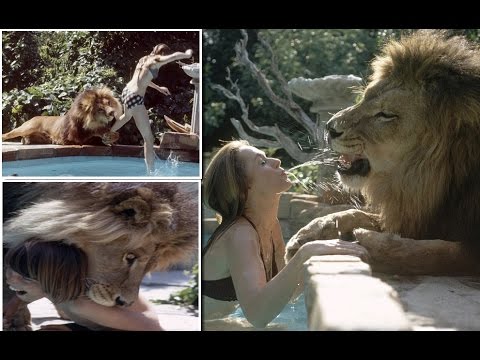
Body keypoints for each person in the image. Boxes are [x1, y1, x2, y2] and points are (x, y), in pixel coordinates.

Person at [202, 140, 369, 328]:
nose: (276, 162)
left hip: (226, 321)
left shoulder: (269, 226)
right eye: (262, 163)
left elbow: (288, 294)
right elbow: (257, 316)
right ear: (243, 187)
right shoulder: (240, 234)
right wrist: (304, 254)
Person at [4, 239, 163, 331]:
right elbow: (33, 288)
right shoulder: (61, 288)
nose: (9, 280)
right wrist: (14, 303)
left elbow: (151, 327)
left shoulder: (81, 305)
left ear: (51, 281)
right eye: (8, 270)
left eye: (23, 278)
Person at [110, 44, 193, 174]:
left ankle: (107, 134)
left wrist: (159, 88)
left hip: (127, 92)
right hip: (135, 98)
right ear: (162, 55)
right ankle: (151, 173)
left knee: (126, 117)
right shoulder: (157, 60)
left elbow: (143, 79)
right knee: (148, 139)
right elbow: (175, 56)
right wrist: (187, 54)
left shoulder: (145, 59)